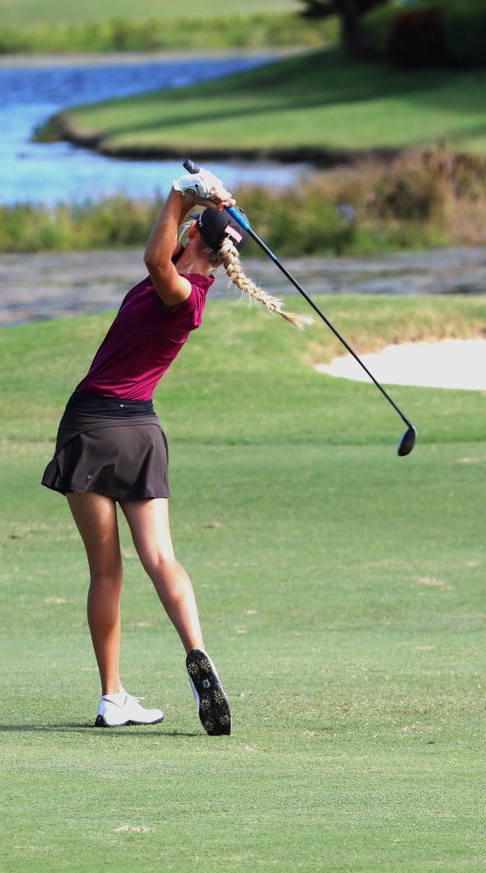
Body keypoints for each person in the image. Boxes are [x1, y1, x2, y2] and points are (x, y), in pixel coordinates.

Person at [41, 166, 308, 736]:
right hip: (139, 431)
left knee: (106, 571)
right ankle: (197, 655)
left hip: (89, 427)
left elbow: (155, 259)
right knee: (160, 558)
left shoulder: (179, 291)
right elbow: (162, 254)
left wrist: (179, 193)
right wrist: (201, 201)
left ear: (193, 239)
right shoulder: (194, 293)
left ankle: (113, 696)